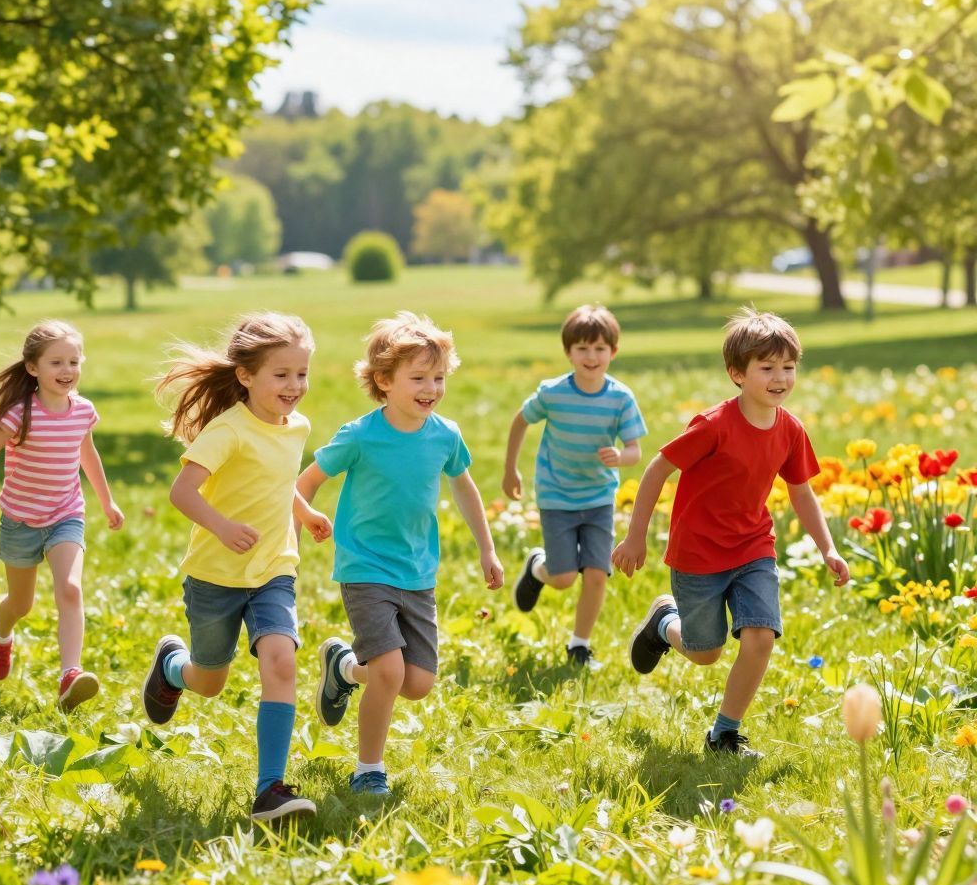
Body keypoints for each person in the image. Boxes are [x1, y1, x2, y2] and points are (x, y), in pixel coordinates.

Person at [612, 307, 850, 756]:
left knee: (761, 636)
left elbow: (801, 491)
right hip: (699, 554)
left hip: (753, 547)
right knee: (705, 652)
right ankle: (663, 623)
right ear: (737, 374)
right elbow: (657, 469)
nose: (780, 378)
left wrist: (828, 548)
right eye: (767, 368)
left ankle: (724, 734)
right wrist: (634, 536)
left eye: (788, 367)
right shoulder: (714, 425)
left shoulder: (790, 429)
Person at [300, 312, 503, 797]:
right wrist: (302, 521)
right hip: (365, 566)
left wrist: (487, 548)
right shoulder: (360, 435)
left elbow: (465, 488)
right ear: (384, 381)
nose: (431, 388)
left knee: (416, 683)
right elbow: (305, 482)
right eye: (419, 378)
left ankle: (344, 668)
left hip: (417, 571)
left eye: (439, 378)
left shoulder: (445, 434)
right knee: (390, 672)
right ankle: (368, 769)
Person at [139, 312, 331, 822]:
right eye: (281, 374)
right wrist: (221, 526)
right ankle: (172, 668)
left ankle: (270, 790)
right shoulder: (227, 430)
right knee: (209, 681)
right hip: (215, 576)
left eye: (302, 374)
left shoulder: (297, 427)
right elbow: (182, 492)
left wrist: (304, 512)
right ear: (245, 376)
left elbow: (277, 480)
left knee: (281, 661)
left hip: (273, 569)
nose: (295, 385)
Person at [0, 321, 124, 711]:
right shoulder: (20, 414)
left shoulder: (83, 411)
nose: (67, 370)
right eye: (56, 362)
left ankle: (70, 674)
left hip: (66, 514)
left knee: (70, 589)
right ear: (33, 368)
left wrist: (107, 502)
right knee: (20, 604)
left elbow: (87, 456)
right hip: (20, 521)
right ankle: (1, 631)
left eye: (74, 361)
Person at [502, 304, 646, 665]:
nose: (591, 357)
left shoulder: (620, 398)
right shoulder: (553, 393)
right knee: (564, 577)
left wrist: (621, 456)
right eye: (582, 348)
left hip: (599, 498)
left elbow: (635, 451)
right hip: (557, 496)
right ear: (568, 352)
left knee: (597, 574)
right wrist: (510, 469)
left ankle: (579, 645)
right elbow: (521, 421)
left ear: (613, 351)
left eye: (599, 348)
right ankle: (538, 568)